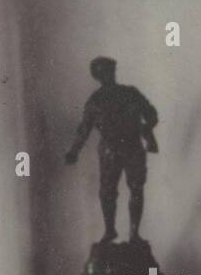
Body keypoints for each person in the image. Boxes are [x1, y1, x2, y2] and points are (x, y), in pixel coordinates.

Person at [64, 56, 159, 244]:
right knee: (108, 192)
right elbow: (84, 128)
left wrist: (146, 128)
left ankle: (133, 234)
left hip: (132, 147)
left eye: (110, 71)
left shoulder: (130, 94)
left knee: (135, 189)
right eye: (105, 72)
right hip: (110, 150)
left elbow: (151, 114)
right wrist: (74, 150)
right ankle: (110, 230)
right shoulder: (96, 101)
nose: (109, 75)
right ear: (98, 76)